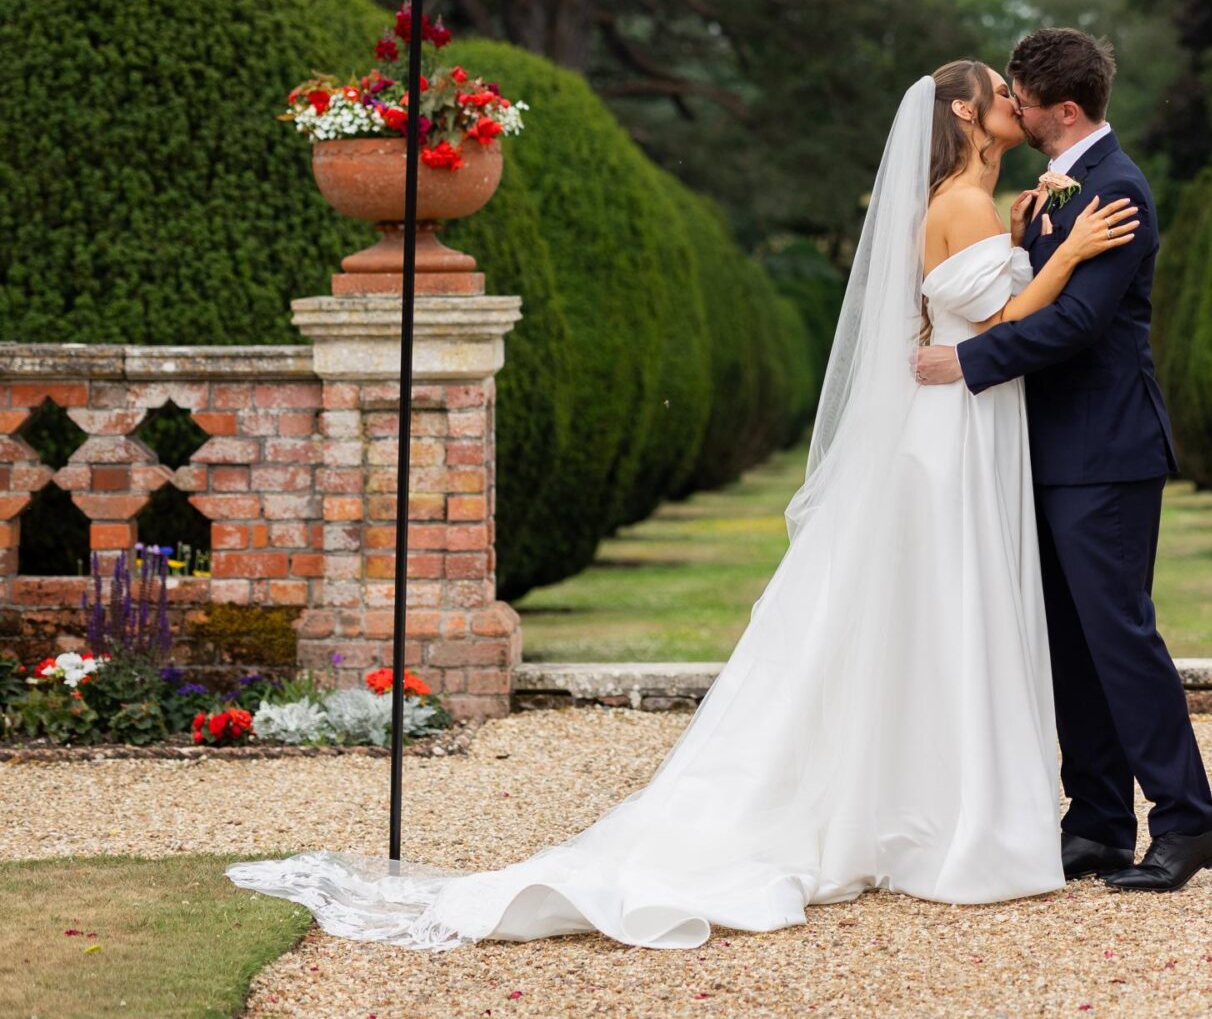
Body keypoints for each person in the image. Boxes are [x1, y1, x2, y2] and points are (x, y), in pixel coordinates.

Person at [226, 58, 1139, 949]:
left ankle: (921, 803)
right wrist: (1070, 255)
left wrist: (1024, 243)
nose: (1013, 103)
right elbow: (1010, 320)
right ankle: (949, 813)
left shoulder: (967, 204)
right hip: (957, 433)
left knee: (929, 612)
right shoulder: (965, 202)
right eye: (997, 95)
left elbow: (970, 303)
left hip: (952, 422)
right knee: (951, 607)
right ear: (970, 117)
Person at [913, 27, 1212, 892]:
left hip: (1107, 450)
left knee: (1122, 640)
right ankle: (1094, 819)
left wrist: (966, 363)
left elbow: (1078, 323)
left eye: (1020, 96)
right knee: (1071, 648)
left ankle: (1188, 821)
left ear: (1062, 110)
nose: (1010, 107)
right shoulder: (1054, 189)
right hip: (1045, 451)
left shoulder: (1117, 187)